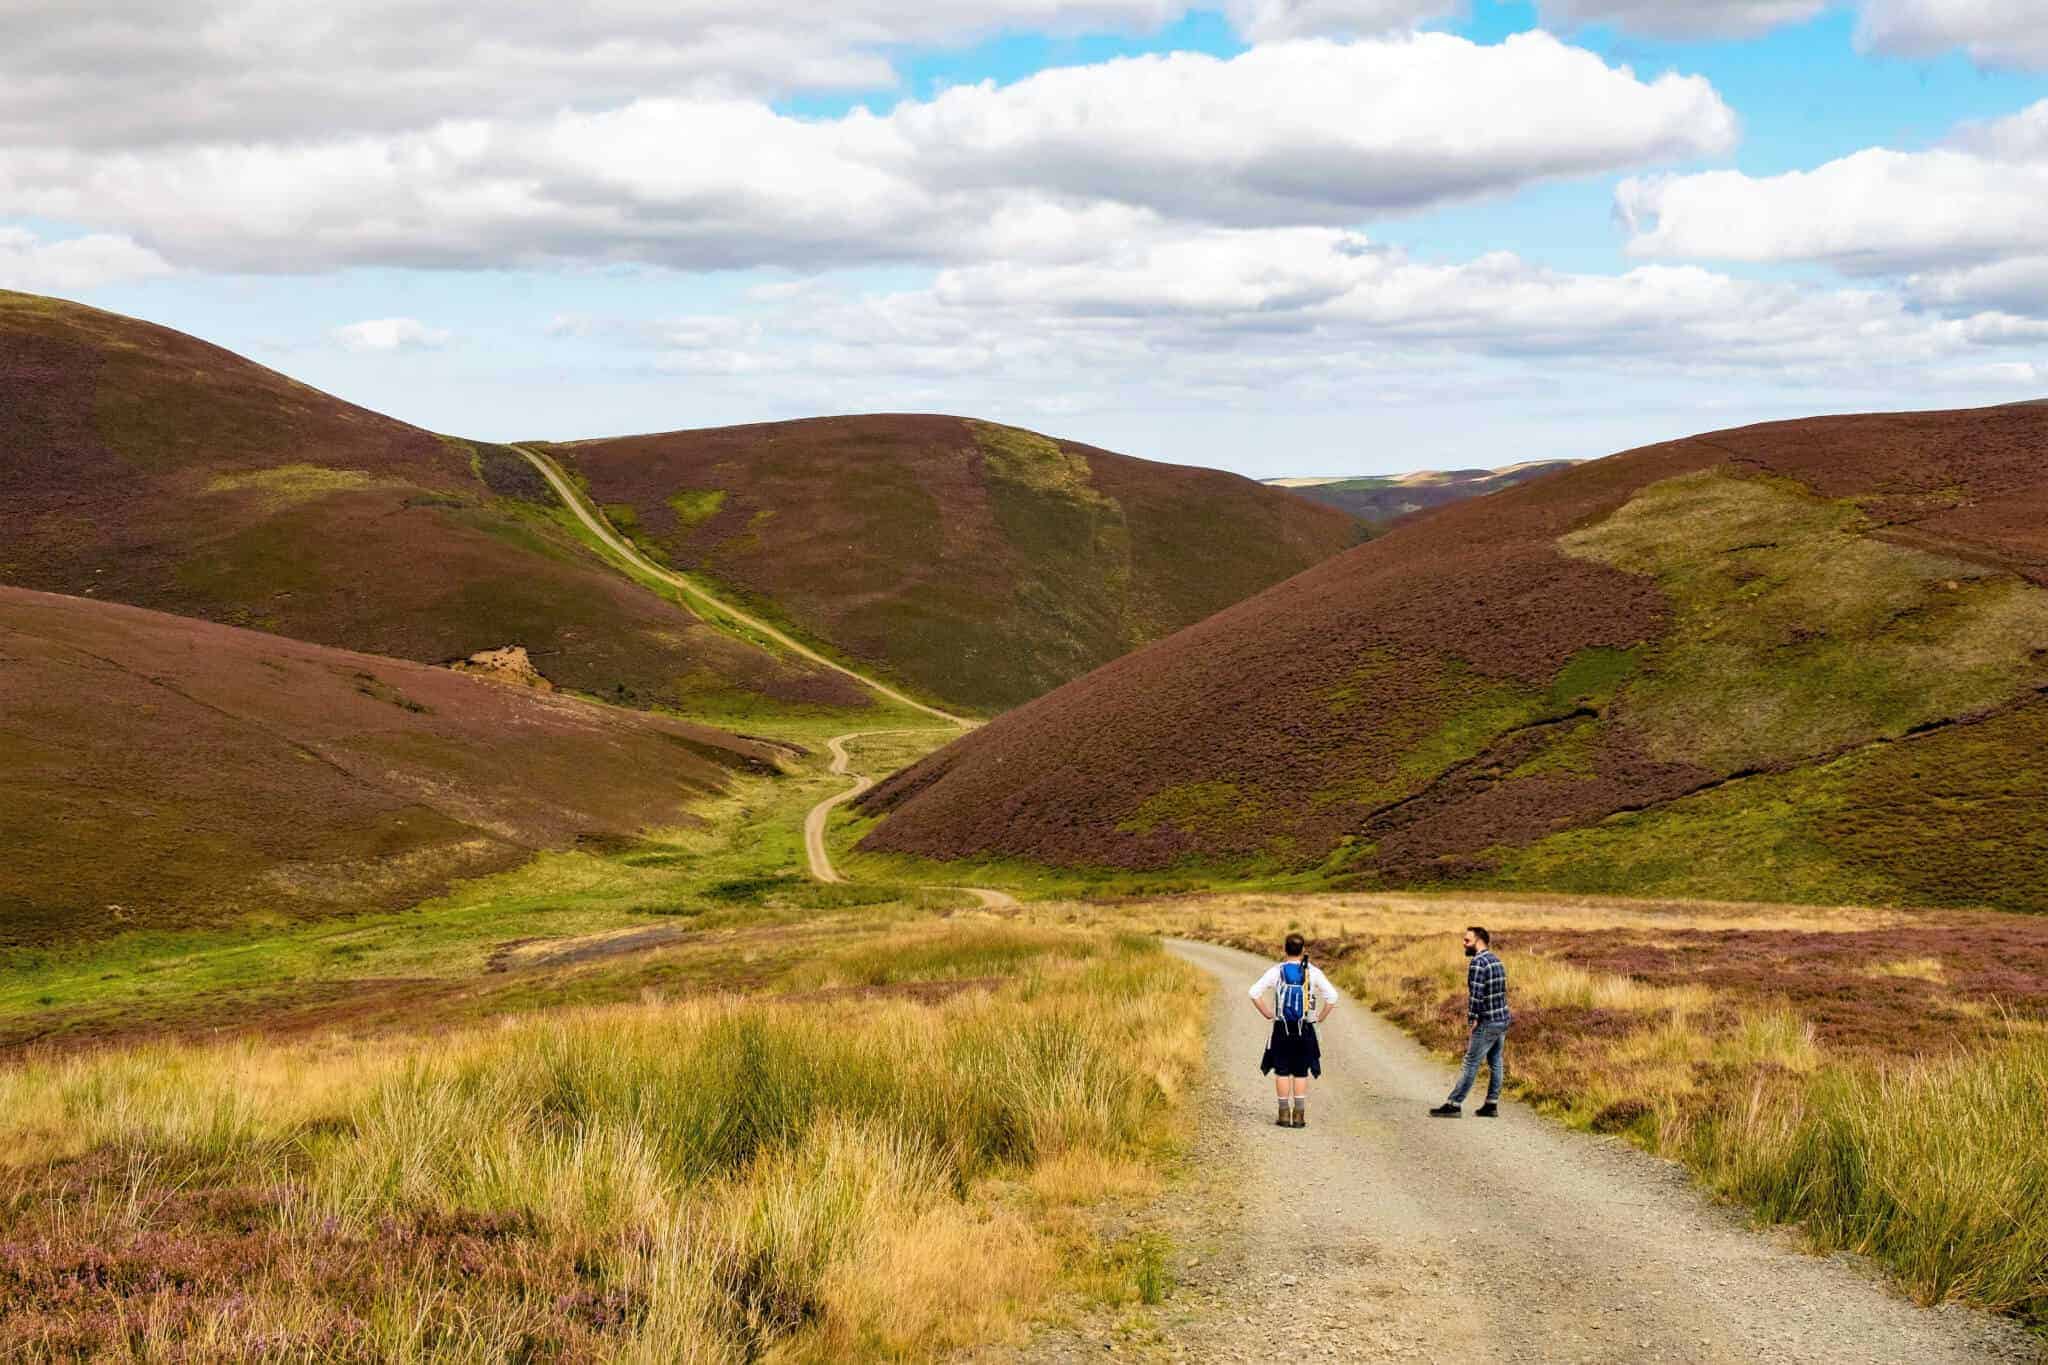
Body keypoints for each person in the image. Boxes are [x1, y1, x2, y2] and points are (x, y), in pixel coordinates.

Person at [1249, 933, 1339, 1128]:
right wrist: (1320, 1018)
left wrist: (1267, 1013)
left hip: (1281, 1027)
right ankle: (1298, 1116)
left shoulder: (1276, 971)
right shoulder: (1312, 972)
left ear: (1285, 949)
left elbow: (1254, 992)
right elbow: (1332, 997)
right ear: (1303, 950)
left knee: (1282, 1071)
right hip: (1305, 1027)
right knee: (1300, 1072)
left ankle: (1283, 1115)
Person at [1431, 925, 1511, 1118]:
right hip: (1502, 1019)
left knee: (1470, 1063)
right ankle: (1491, 1105)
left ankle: (1454, 1104)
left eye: (1467, 940)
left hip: (1487, 1021)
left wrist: (1473, 1018)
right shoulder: (1496, 961)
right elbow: (1501, 992)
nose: (1463, 943)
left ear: (1479, 941)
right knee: (1496, 1062)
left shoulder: (1478, 963)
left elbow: (1476, 995)